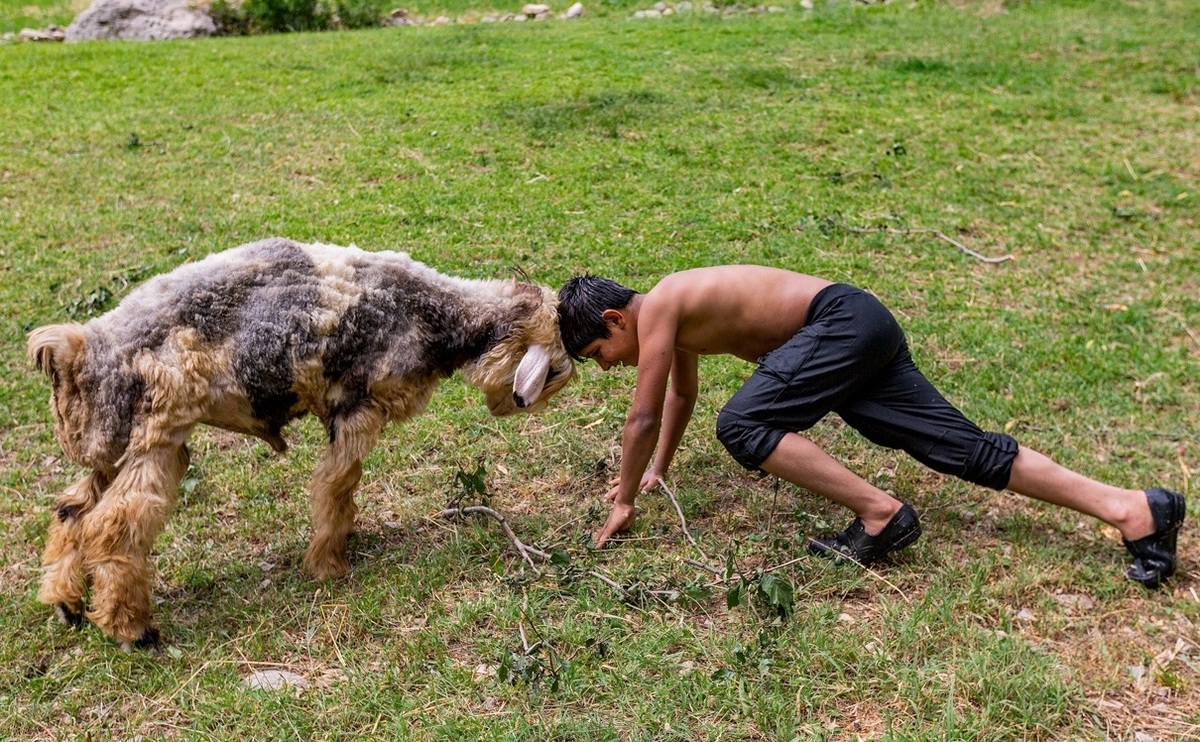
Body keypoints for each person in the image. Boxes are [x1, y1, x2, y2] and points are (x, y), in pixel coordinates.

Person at [556, 267, 1185, 588]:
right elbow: (679, 396)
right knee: (963, 449)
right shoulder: (673, 311)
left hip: (838, 324)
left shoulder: (663, 301)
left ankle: (880, 513)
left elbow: (642, 413)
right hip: (859, 322)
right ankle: (1134, 509)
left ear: (614, 319)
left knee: (744, 424)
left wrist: (626, 497)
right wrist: (660, 468)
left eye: (598, 356)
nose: (609, 367)